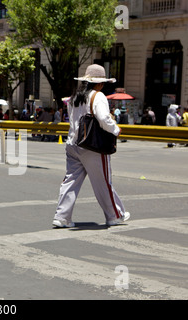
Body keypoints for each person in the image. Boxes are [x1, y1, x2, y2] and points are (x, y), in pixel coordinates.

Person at [53, 64, 130, 228]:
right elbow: (104, 118)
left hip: (72, 144)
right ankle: (114, 215)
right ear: (100, 83)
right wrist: (116, 130)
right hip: (92, 146)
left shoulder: (74, 97)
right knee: (103, 182)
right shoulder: (98, 96)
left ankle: (62, 216)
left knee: (70, 181)